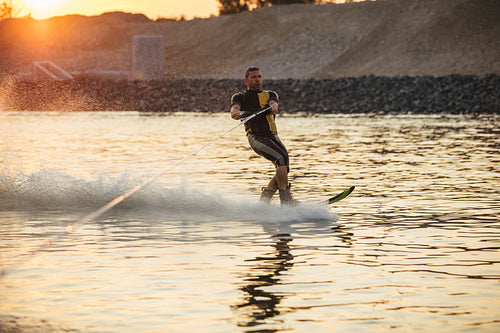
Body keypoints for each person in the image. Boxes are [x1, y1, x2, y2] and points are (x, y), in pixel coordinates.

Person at [230, 66, 297, 206]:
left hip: (272, 136)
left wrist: (268, 108)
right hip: (256, 137)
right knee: (281, 158)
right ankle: (285, 200)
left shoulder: (270, 94)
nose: (257, 80)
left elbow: (274, 107)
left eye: (259, 76)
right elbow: (234, 113)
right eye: (254, 77)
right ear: (246, 80)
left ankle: (265, 199)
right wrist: (245, 114)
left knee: (284, 166)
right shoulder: (240, 97)